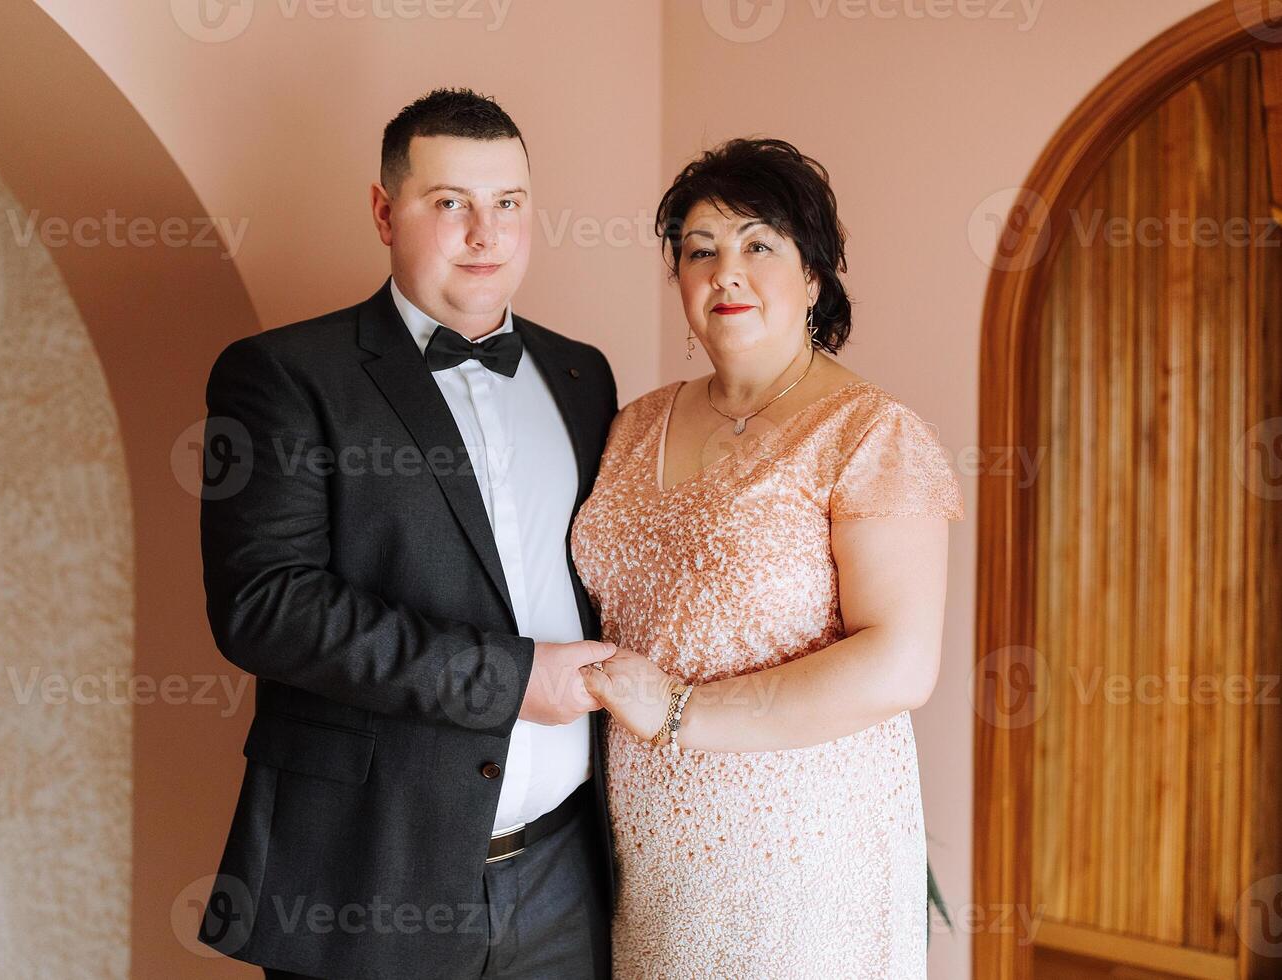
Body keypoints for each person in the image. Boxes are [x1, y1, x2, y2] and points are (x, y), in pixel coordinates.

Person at [197, 88, 617, 980]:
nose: (485, 234)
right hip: (367, 877)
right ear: (385, 212)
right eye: (449, 203)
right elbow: (264, 607)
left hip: (564, 877)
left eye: (508, 204)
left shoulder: (583, 375)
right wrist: (512, 679)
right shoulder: (283, 376)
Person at [570, 138, 963, 978]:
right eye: (699, 250)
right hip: (651, 854)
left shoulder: (868, 432)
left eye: (758, 244)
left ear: (813, 275)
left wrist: (681, 714)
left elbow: (899, 665)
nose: (726, 271)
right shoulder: (634, 423)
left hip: (804, 852)